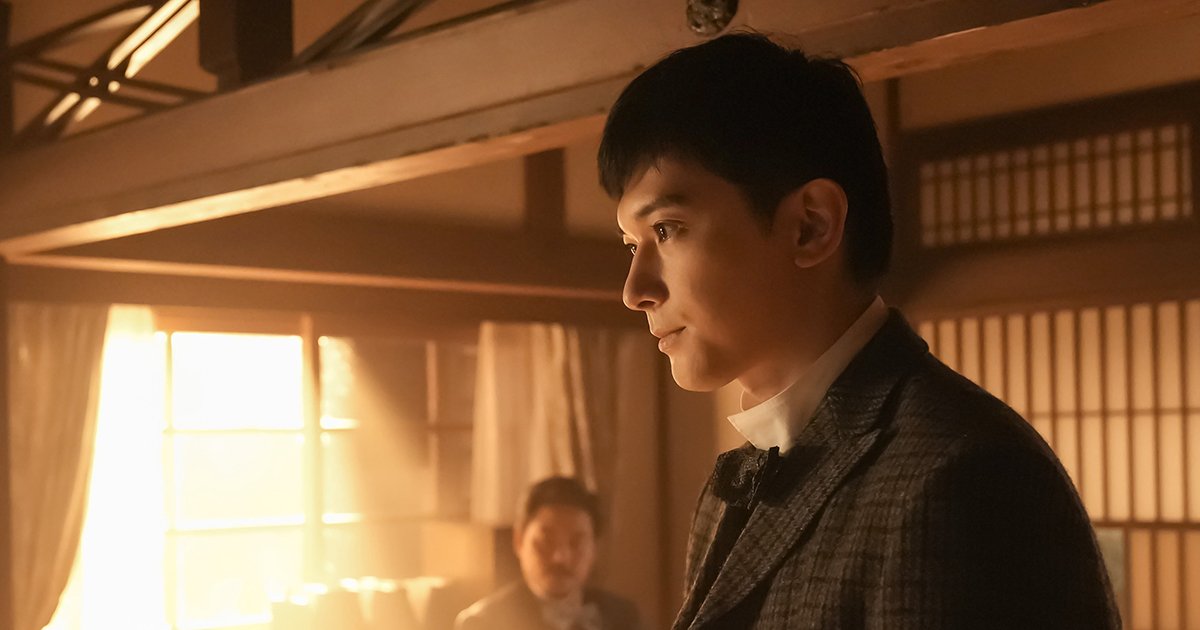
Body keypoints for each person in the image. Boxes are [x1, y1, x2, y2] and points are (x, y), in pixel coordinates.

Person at [600, 32, 1119, 629]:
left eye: (665, 230)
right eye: (631, 244)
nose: (635, 289)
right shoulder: (742, 477)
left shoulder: (959, 476)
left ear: (811, 226)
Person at [454, 477, 642, 630]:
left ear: (594, 548)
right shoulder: (483, 623)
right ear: (519, 541)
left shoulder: (624, 617)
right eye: (546, 542)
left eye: (576, 543)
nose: (560, 557)